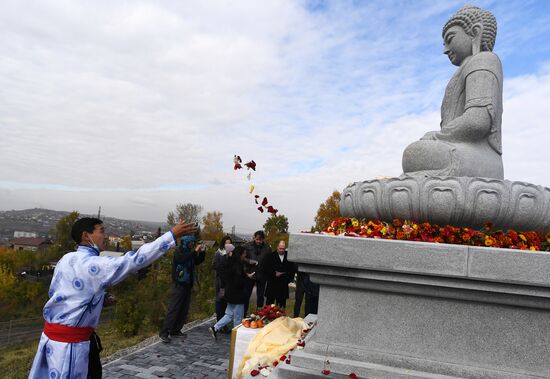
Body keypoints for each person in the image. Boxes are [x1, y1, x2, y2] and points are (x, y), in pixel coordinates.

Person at [29, 217, 197, 379]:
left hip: (53, 342)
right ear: (86, 236)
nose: (106, 236)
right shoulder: (91, 264)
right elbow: (134, 260)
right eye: (101, 231)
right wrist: (171, 236)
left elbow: (68, 295)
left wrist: (100, 299)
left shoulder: (66, 259)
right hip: (70, 347)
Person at [402, 5, 503, 179]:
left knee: (414, 154)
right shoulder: (462, 71)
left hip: (481, 157)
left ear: (475, 32)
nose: (445, 50)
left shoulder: (485, 60)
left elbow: (478, 121)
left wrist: (438, 136)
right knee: (415, 157)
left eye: (450, 39)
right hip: (459, 149)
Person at [159, 234, 206, 343]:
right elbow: (183, 259)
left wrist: (203, 252)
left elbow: (197, 261)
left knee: (183, 309)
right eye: (191, 243)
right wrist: (194, 252)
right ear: (186, 242)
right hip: (179, 284)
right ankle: (164, 332)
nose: (192, 245)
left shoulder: (189, 252)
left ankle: (176, 330)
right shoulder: (179, 252)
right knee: (174, 308)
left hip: (187, 284)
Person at [210, 245, 250, 339]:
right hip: (238, 295)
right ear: (241, 254)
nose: (245, 255)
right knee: (238, 318)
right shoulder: (239, 265)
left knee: (229, 315)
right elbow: (239, 281)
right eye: (244, 253)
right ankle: (237, 337)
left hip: (230, 293)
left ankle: (215, 328)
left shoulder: (230, 262)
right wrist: (247, 278)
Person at [243, 231, 271, 312]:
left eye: (260, 240)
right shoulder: (247, 246)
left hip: (262, 275)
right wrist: (249, 261)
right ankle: (244, 313)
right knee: (246, 295)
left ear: (263, 239)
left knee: (260, 296)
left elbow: (270, 261)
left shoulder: (267, 248)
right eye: (257, 239)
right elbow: (241, 257)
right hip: (250, 274)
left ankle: (259, 313)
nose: (258, 241)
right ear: (254, 238)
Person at [265, 240, 295, 308]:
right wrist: (273, 274)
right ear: (277, 247)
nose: (281, 250)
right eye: (280, 248)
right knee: (269, 305)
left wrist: (289, 279)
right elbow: (266, 268)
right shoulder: (271, 256)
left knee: (281, 306)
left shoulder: (288, 256)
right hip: (272, 283)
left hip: (283, 284)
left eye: (283, 249)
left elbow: (292, 269)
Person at [213, 235, 233, 322]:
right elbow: (216, 266)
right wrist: (227, 258)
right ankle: (219, 321)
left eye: (229, 244)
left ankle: (224, 322)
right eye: (226, 244)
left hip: (229, 282)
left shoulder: (231, 253)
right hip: (221, 282)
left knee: (226, 301)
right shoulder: (219, 253)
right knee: (220, 301)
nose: (228, 245)